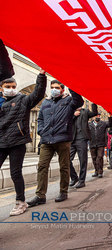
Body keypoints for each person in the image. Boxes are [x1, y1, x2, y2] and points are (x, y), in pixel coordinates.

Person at [27, 80, 84, 207]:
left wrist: (71, 85)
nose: (54, 89)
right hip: (46, 140)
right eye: (52, 87)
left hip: (63, 140)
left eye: (57, 87)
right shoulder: (46, 102)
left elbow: (79, 102)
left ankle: (63, 191)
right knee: (42, 166)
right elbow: (40, 118)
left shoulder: (69, 101)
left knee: (64, 167)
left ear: (62, 89)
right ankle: (40, 195)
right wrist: (41, 130)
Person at [0, 69, 47, 215]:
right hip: (1, 142)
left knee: (15, 173)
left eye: (13, 87)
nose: (11, 89)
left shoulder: (22, 100)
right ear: (1, 88)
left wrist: (41, 76)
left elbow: (38, 94)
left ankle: (21, 202)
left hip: (17, 142)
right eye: (8, 87)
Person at [69, 103, 98, 188]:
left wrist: (94, 102)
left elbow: (94, 113)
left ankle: (82, 181)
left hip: (82, 139)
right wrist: (73, 115)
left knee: (83, 161)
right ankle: (74, 177)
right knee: (66, 160)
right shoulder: (70, 111)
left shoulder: (85, 111)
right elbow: (65, 120)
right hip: (72, 139)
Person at [89, 113, 112, 178]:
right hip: (92, 143)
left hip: (101, 143)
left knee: (99, 157)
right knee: (94, 158)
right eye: (96, 115)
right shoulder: (89, 124)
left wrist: (109, 117)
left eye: (99, 115)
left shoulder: (103, 123)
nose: (98, 116)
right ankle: (96, 171)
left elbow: (110, 124)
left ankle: (100, 172)